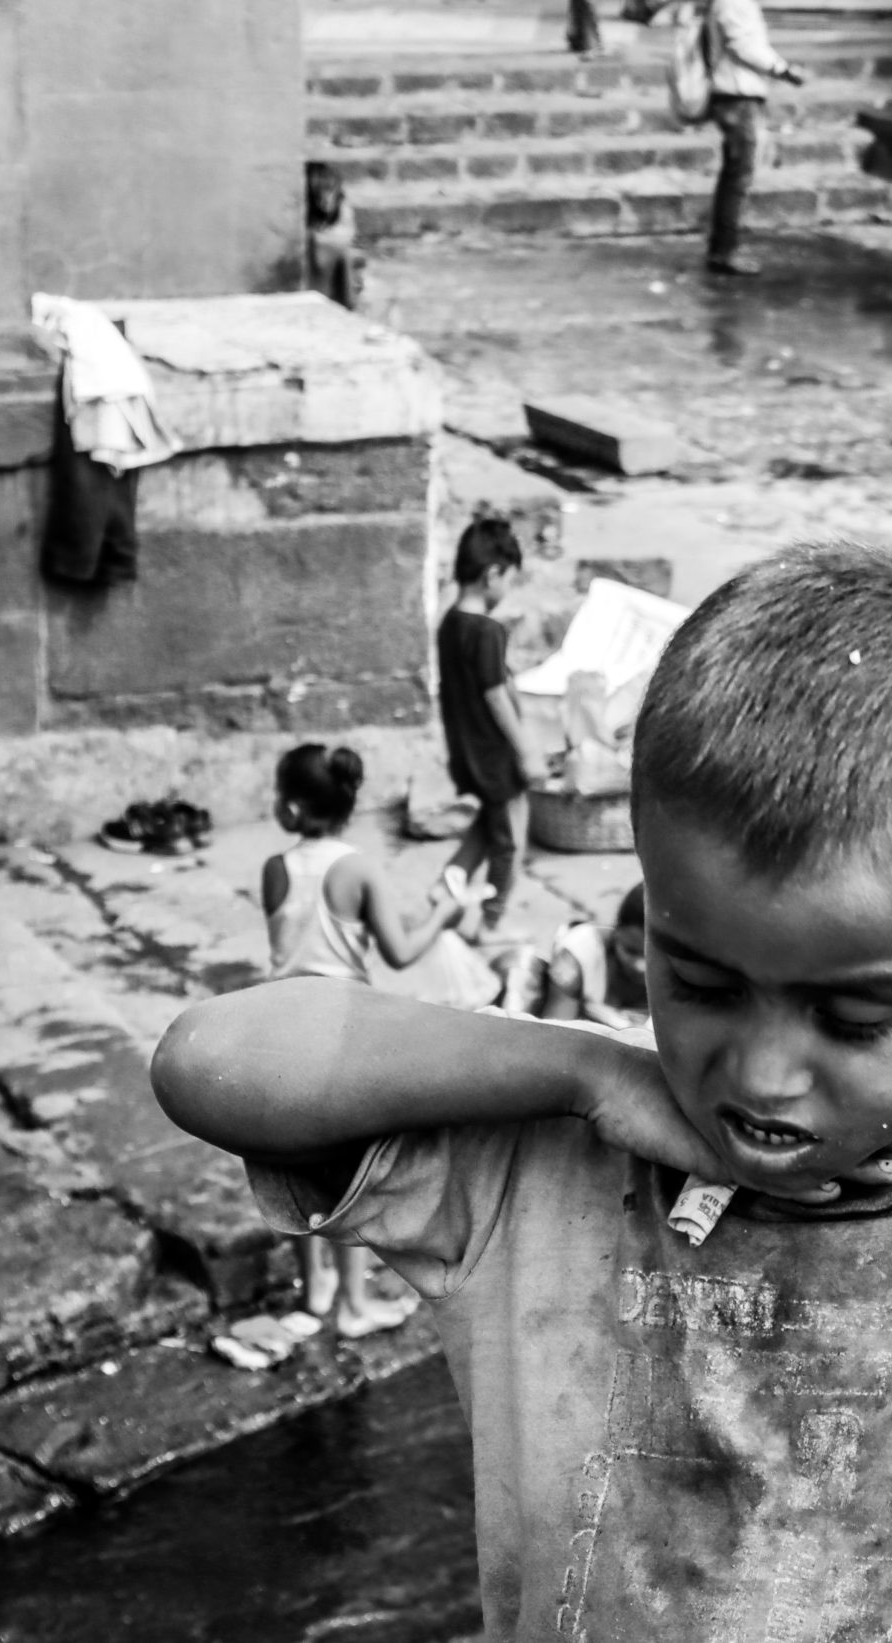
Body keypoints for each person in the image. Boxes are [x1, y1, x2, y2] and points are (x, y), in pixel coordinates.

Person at [151, 542, 892, 1641]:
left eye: (851, 1019)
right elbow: (211, 1061)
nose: (761, 1074)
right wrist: (586, 1070)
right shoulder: (547, 1154)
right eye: (701, 984)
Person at [261, 742, 469, 1339]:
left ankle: (315, 1289)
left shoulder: (274, 868)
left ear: (293, 809)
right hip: (341, 1032)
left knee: (295, 1161)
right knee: (347, 1174)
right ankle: (354, 1305)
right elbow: (400, 953)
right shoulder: (358, 869)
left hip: (280, 1026)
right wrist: (445, 914)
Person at [438, 519, 545, 941]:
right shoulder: (486, 631)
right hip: (496, 758)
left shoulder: (449, 624)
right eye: (510, 581)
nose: (508, 591)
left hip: (467, 752)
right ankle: (490, 922)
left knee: (487, 827)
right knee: (509, 843)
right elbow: (496, 696)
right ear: (493, 574)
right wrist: (527, 751)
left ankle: (445, 885)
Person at [704, 0, 809, 276]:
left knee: (734, 174)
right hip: (736, 94)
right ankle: (724, 252)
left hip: (739, 92)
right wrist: (783, 69)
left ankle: (721, 249)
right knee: (739, 177)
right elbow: (742, 45)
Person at [499, 881, 650, 1027]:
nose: (639, 966)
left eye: (649, 957)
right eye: (630, 951)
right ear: (616, 931)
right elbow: (558, 1030)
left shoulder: (666, 972)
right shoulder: (580, 952)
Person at [303, 161, 363, 312]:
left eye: (330, 190)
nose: (327, 199)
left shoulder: (342, 207)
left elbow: (345, 234)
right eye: (323, 190)